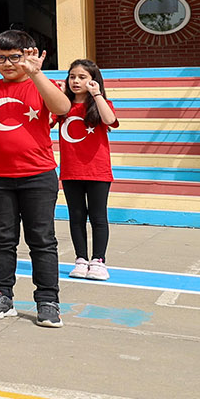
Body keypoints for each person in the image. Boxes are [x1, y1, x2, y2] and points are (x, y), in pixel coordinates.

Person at [0, 31, 70, 328]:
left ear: (28, 56)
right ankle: (2, 295)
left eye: (14, 57)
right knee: (2, 238)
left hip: (38, 174)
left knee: (42, 240)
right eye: (0, 58)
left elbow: (62, 108)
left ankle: (48, 301)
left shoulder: (41, 85)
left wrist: (36, 75)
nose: (7, 63)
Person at [58, 60, 119, 282]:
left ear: (93, 80)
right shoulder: (63, 106)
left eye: (82, 77)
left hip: (97, 171)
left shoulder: (100, 103)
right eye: (72, 76)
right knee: (76, 216)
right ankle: (81, 259)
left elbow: (110, 120)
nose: (76, 81)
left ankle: (98, 261)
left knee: (98, 216)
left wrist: (97, 95)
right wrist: (56, 96)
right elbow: (45, 123)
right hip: (71, 171)